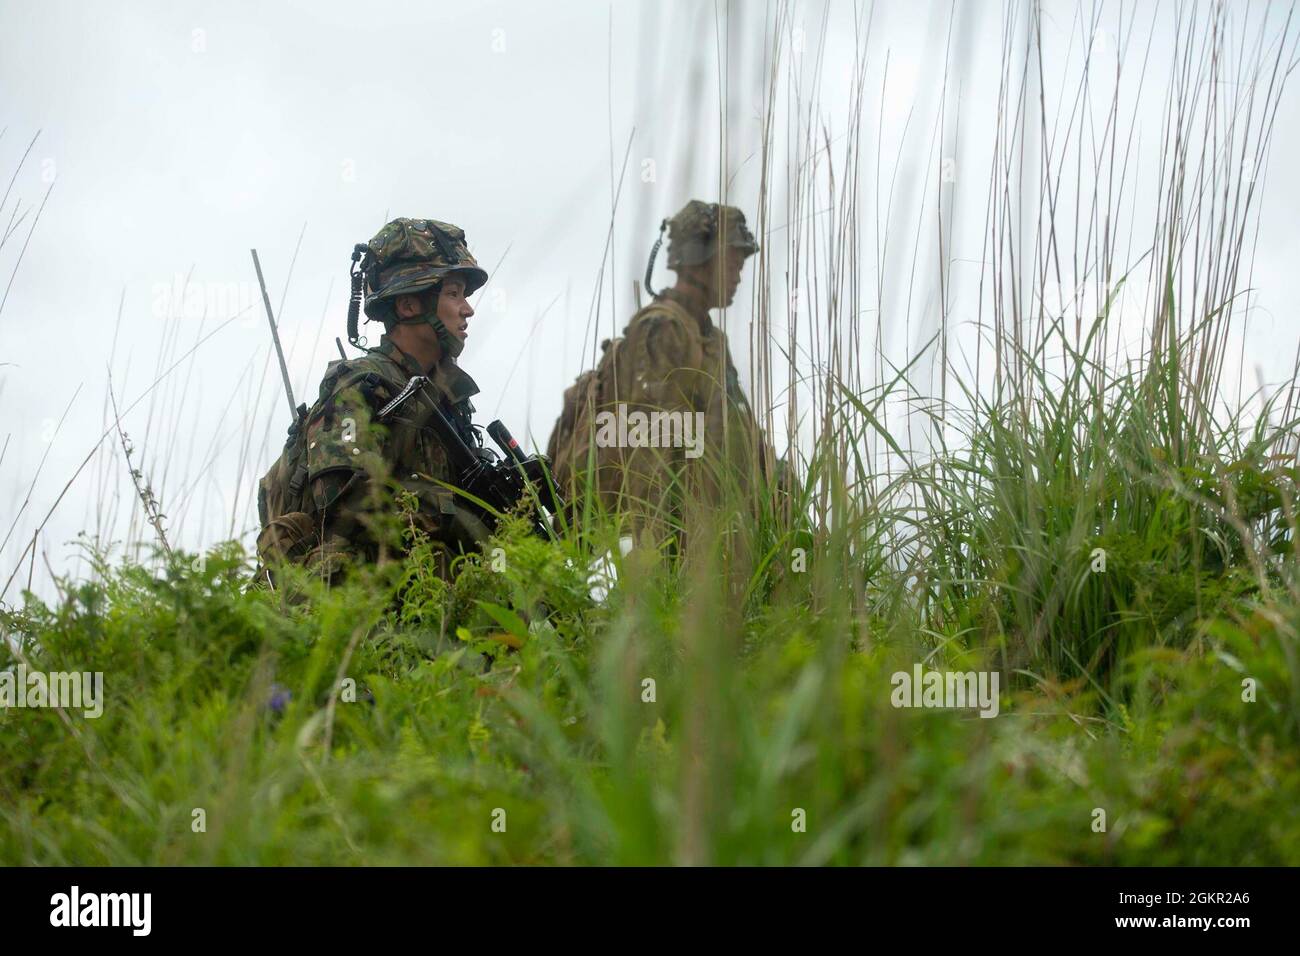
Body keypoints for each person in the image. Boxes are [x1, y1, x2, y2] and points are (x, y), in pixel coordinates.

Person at [256, 217, 497, 584]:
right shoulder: (362, 387)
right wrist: (461, 515)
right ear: (408, 305)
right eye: (453, 293)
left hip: (429, 598)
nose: (467, 309)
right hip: (353, 606)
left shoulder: (450, 402)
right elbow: (343, 508)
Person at [546, 200, 780, 553]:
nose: (737, 275)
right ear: (699, 261)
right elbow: (646, 445)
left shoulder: (709, 337)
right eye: (732, 261)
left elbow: (732, 422)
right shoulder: (662, 327)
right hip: (645, 532)